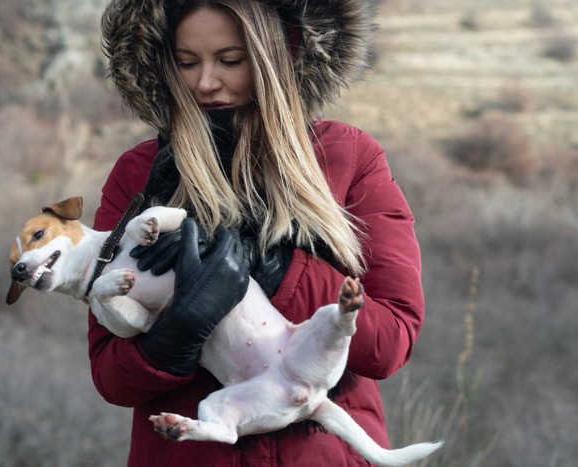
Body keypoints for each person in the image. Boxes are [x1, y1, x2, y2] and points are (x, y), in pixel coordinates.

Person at [90, 0, 426, 465]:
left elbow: (392, 340)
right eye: (187, 63)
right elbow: (111, 377)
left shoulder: (348, 157)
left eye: (231, 60)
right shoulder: (139, 174)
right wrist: (179, 330)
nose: (206, 83)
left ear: (276, 54)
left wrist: (278, 271)